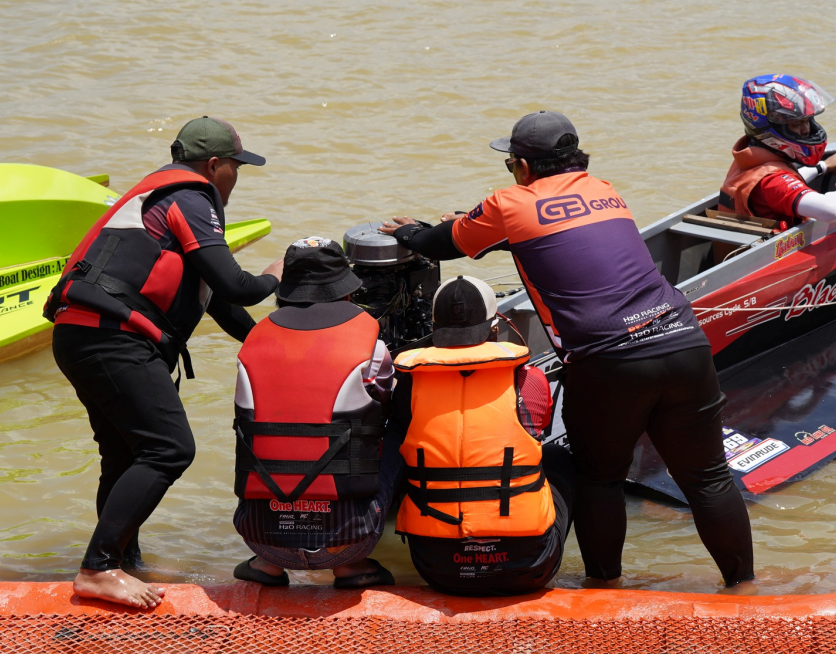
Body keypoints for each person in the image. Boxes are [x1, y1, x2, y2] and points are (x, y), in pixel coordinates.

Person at [379, 111, 756, 593]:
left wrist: (412, 233)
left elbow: (443, 244)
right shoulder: (604, 189)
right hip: (682, 341)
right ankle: (744, 588)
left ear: (521, 165)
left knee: (600, 479)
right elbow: (560, 241)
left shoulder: (508, 201)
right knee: (708, 480)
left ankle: (605, 589)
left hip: (608, 361)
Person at [43, 116, 283, 608]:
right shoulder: (191, 199)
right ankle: (99, 566)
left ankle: (123, 563)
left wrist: (275, 348)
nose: (237, 178)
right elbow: (240, 286)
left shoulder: (162, 200)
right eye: (237, 167)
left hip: (82, 335)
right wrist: (278, 275)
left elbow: (223, 306)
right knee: (169, 449)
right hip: (111, 339)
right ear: (214, 165)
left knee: (126, 454)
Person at [391, 275, 575, 596]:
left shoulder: (406, 384)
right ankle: (602, 578)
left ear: (435, 329)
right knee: (560, 459)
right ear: (494, 329)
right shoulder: (528, 379)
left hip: (438, 569)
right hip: (529, 566)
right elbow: (536, 434)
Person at [230, 237, 398, 588]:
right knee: (395, 431)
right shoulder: (372, 345)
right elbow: (386, 401)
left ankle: (266, 565)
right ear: (347, 291)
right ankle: (352, 567)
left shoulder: (252, 346)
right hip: (349, 541)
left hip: (262, 539)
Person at [720, 74, 836, 229]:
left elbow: (781, 186)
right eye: (797, 124)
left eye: (807, 121)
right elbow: (832, 210)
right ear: (771, 129)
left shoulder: (748, 159)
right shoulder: (773, 182)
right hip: (776, 253)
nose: (806, 130)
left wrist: (822, 167)